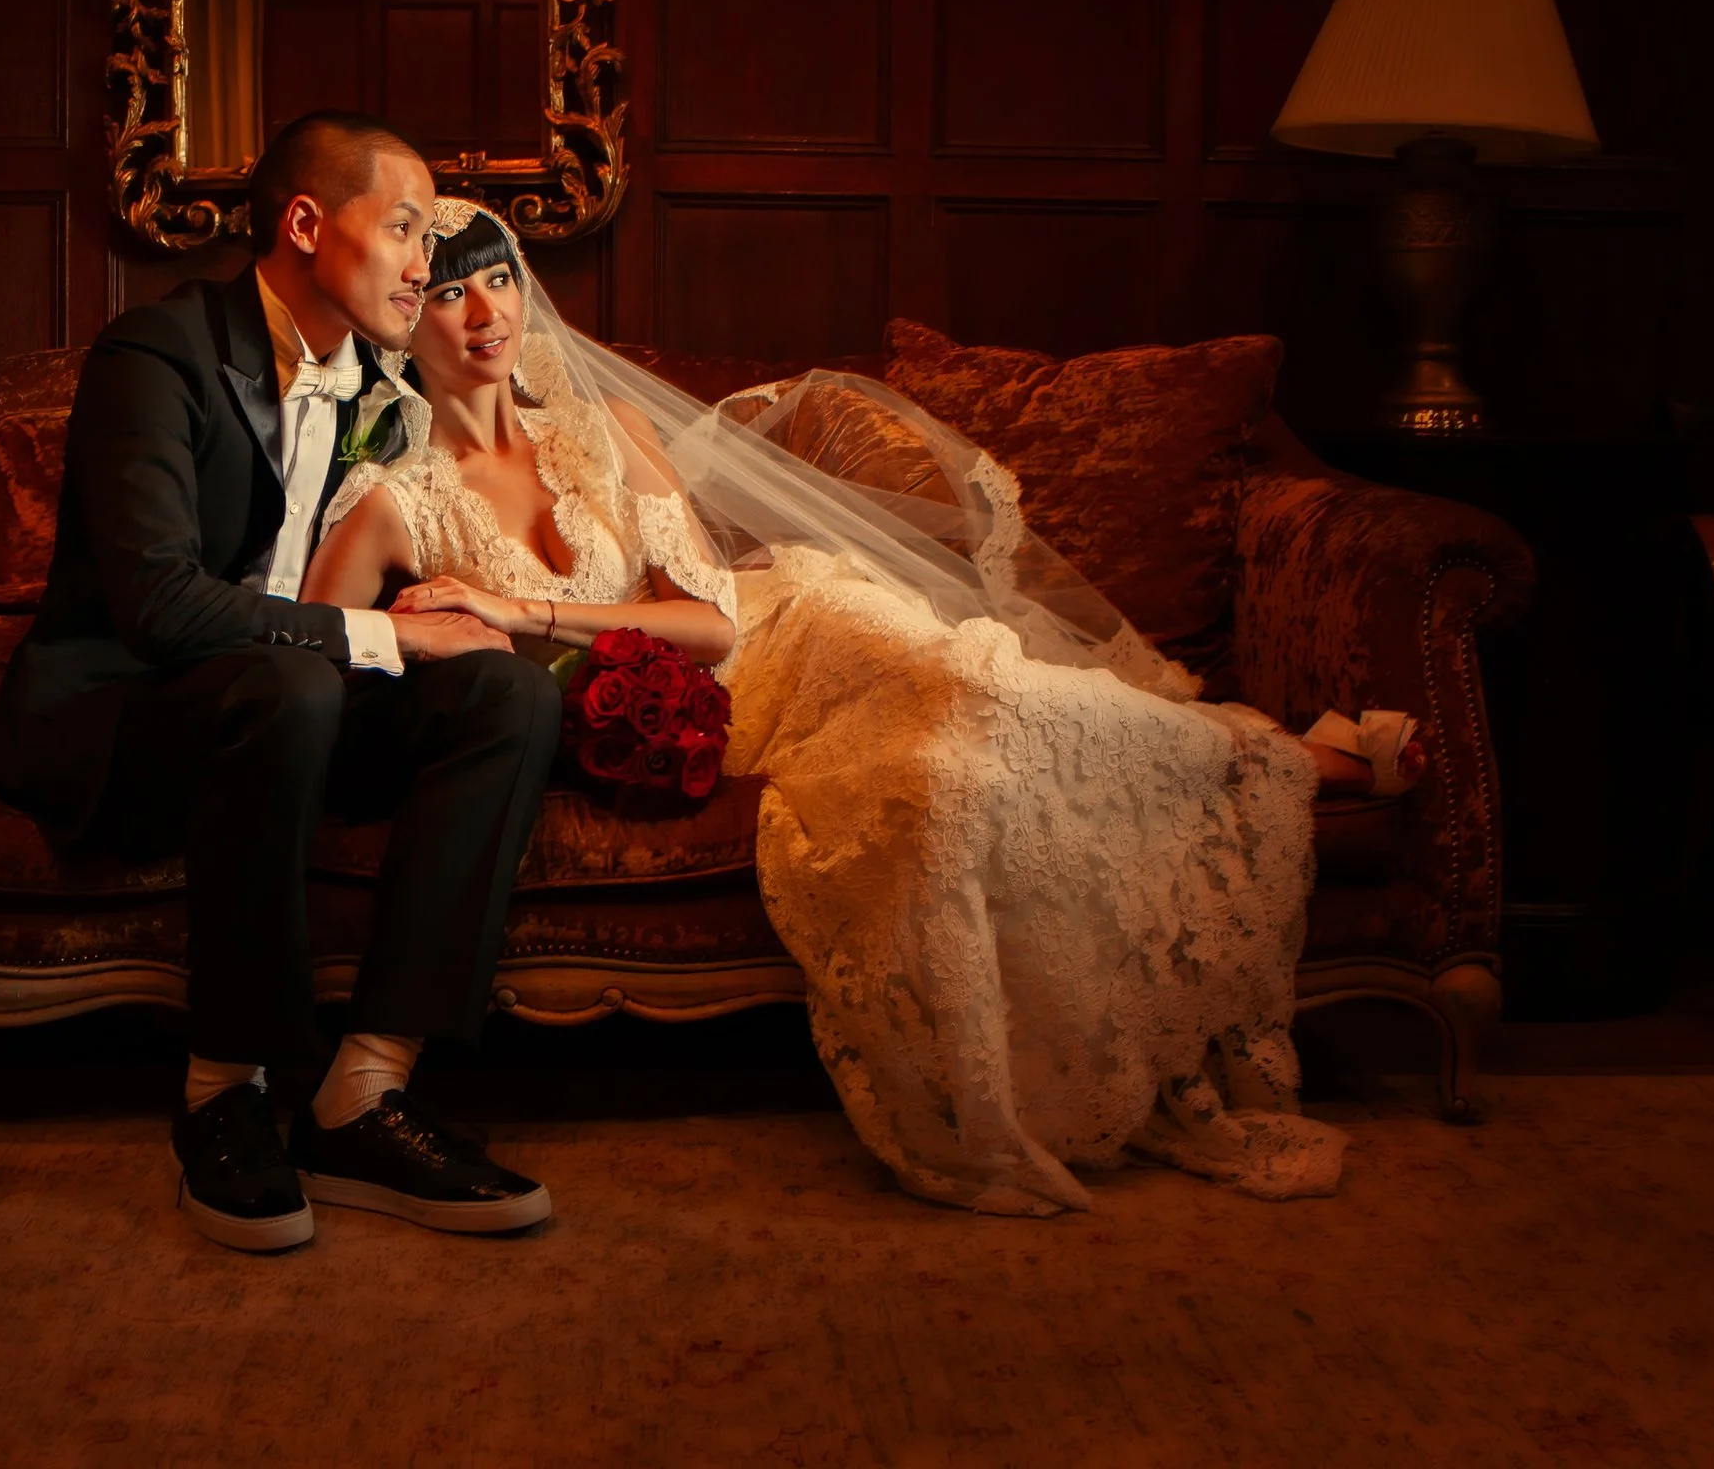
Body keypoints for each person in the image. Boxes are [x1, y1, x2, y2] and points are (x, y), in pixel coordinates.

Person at [305, 198, 1428, 1216]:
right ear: (402, 319)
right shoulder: (391, 500)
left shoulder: (601, 434)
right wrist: (430, 640)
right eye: (444, 289)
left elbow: (711, 625)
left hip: (794, 632)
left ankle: (1284, 759)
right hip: (736, 721)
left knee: (985, 686)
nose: (482, 309)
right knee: (956, 782)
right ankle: (1272, 751)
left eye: (496, 275)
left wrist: (516, 607)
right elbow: (311, 652)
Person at [0, 118, 560, 1253]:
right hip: (128, 715)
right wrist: (388, 641)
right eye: (402, 226)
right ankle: (223, 1086)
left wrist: (448, 618)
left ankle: (365, 1089)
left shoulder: (381, 385)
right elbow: (159, 606)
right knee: (296, 685)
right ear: (306, 223)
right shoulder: (155, 358)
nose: (421, 261)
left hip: (282, 708)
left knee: (507, 692)